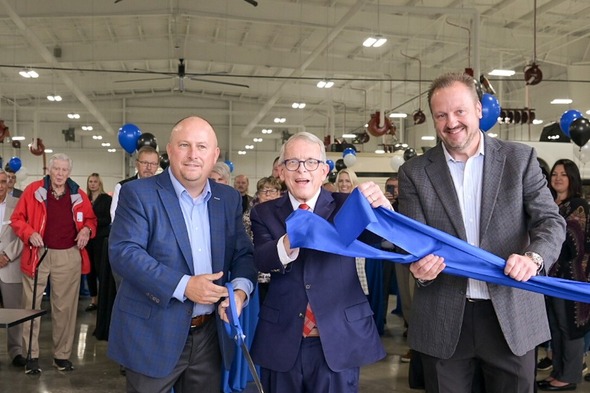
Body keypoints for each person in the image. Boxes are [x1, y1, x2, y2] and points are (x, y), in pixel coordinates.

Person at [398, 72, 566, 393]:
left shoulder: (520, 159)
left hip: (511, 315)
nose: (451, 122)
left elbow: (550, 222)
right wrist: (419, 269)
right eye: (441, 115)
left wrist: (533, 258)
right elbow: (415, 244)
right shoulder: (414, 173)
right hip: (443, 317)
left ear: (478, 109)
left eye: (459, 111)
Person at [108, 115, 257, 393]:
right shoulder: (138, 193)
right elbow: (124, 252)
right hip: (152, 334)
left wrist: (238, 292)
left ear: (215, 155)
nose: (193, 155)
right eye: (184, 145)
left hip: (208, 337)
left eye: (202, 147)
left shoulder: (228, 199)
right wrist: (184, 286)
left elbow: (243, 254)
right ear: (170, 150)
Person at [250, 131, 387, 393]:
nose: (302, 169)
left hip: (338, 339)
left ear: (324, 171)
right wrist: (293, 238)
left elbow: (382, 239)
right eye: (293, 162)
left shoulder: (347, 206)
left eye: (311, 162)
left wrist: (384, 212)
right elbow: (263, 259)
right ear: (281, 171)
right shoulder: (264, 212)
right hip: (283, 339)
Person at [11, 153, 97, 374]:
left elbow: (90, 219)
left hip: (69, 255)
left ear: (69, 172)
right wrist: (29, 233)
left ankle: (62, 356)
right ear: (49, 169)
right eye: (56, 169)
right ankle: (31, 356)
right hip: (38, 253)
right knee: (31, 307)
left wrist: (87, 229)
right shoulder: (33, 191)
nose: (60, 174)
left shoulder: (78, 193)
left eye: (64, 170)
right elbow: (17, 219)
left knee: (65, 308)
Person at [537, 159, 590, 391]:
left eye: (564, 174)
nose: (558, 178)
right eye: (555, 174)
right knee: (555, 327)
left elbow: (572, 246)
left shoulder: (577, 205)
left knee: (570, 328)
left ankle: (569, 376)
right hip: (550, 278)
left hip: (571, 278)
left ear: (572, 179)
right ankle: (558, 372)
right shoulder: (550, 204)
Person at [0, 170, 26, 367]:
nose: (1, 185)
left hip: (10, 266)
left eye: (3, 181)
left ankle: (16, 351)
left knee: (14, 312)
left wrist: (7, 255)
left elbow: (22, 234)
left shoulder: (17, 205)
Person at [242, 176, 282, 304]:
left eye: (273, 191)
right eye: (264, 191)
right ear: (258, 194)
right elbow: (247, 242)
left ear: (279, 194)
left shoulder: (285, 214)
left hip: (282, 271)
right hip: (260, 271)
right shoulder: (250, 215)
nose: (268, 195)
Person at [84, 173, 112, 312]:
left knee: (101, 270)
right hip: (87, 240)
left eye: (95, 181)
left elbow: (108, 219)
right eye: (90, 181)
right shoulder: (85, 199)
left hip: (101, 238)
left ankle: (103, 299)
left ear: (99, 183)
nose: (93, 184)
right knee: (90, 270)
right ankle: (93, 299)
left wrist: (92, 223)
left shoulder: (106, 199)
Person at [110, 145, 160, 222]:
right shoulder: (122, 187)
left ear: (157, 166)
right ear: (137, 164)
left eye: (153, 164)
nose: (149, 167)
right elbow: (115, 216)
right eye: (145, 163)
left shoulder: (163, 188)